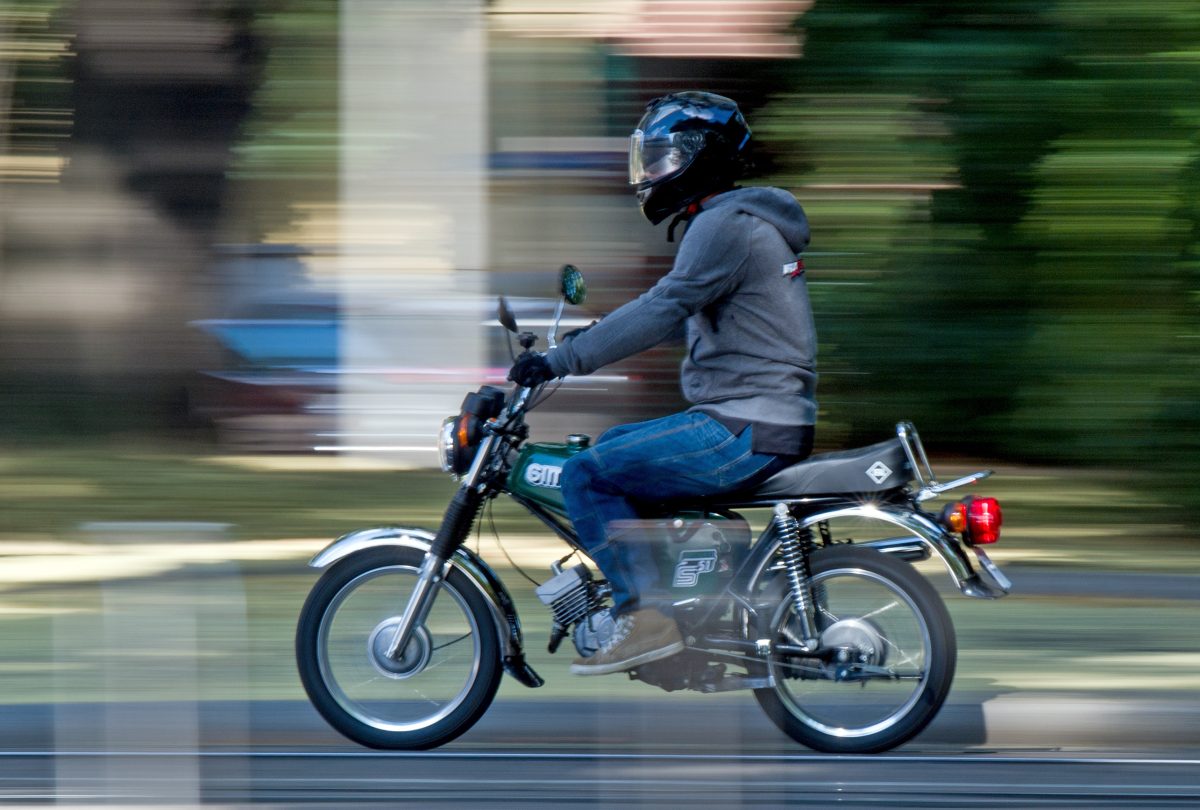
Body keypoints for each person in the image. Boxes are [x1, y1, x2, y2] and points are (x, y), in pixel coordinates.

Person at [508, 91, 817, 676]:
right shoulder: (741, 222)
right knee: (617, 445)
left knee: (586, 472)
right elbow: (670, 308)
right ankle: (687, 607)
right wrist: (597, 335)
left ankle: (646, 619)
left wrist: (561, 360)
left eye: (661, 158)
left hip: (745, 425)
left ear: (700, 157)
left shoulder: (724, 224)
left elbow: (664, 307)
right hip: (759, 416)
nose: (649, 173)